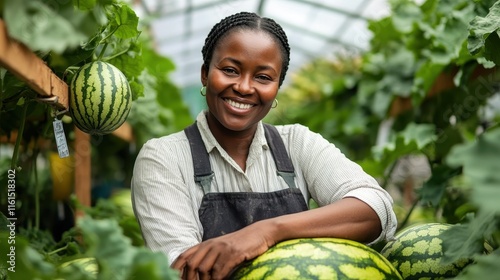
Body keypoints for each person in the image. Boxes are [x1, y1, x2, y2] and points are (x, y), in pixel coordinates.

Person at [131, 11, 397, 280]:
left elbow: (377, 209)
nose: (244, 87)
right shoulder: (164, 157)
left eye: (263, 77)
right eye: (230, 70)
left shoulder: (297, 143)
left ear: (277, 87)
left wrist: (267, 231)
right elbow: (184, 269)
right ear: (205, 74)